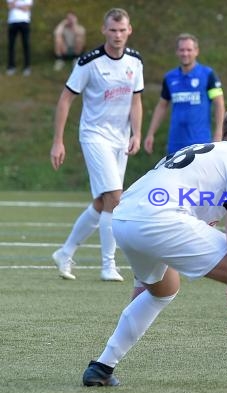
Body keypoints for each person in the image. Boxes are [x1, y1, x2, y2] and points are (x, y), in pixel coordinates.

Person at [81, 102, 227, 393]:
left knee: (162, 289)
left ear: (225, 133)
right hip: (158, 219)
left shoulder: (199, 152)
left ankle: (101, 368)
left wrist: (144, 282)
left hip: (125, 217)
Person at [49, 8, 143, 282]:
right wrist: (58, 141)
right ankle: (107, 265)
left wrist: (136, 133)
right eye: (112, 30)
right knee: (115, 198)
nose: (117, 35)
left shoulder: (135, 61)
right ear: (104, 30)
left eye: (122, 30)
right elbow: (65, 99)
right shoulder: (89, 62)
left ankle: (65, 253)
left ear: (129, 30)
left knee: (102, 203)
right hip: (94, 135)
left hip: (120, 138)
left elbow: (136, 100)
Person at [143, 33, 225, 155]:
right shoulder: (170, 77)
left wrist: (219, 132)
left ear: (196, 51)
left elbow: (219, 103)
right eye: (182, 50)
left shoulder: (208, 75)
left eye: (189, 50)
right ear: (177, 52)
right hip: (175, 143)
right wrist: (150, 133)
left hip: (201, 143)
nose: (185, 53)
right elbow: (162, 105)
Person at [6, 0, 33, 76]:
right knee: (11, 45)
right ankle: (11, 66)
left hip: (24, 21)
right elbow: (10, 6)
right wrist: (20, 5)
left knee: (26, 45)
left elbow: (27, 8)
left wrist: (15, 5)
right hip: (12, 21)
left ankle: (27, 67)